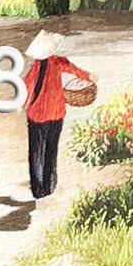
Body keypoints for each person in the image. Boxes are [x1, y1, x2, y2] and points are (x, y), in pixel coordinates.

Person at [20, 31, 92, 201]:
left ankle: (38, 190)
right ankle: (50, 185)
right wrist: (90, 76)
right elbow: (76, 71)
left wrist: (20, 105)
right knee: (51, 150)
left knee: (36, 152)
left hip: (37, 115)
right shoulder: (59, 61)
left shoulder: (36, 67)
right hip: (56, 113)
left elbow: (25, 87)